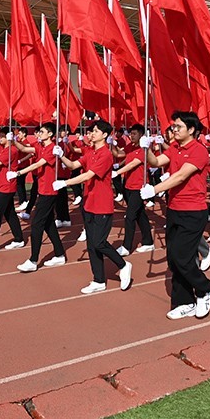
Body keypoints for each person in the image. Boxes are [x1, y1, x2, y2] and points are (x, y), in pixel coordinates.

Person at [141, 111, 210, 320]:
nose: (174, 130)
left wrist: (154, 190)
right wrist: (146, 149)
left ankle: (205, 289)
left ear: (191, 130)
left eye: (178, 127)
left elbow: (181, 176)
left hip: (193, 211)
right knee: (174, 259)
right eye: (173, 126)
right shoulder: (175, 148)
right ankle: (185, 302)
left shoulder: (199, 150)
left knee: (182, 258)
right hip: (174, 208)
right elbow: (156, 162)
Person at [55, 119, 132, 295]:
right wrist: (61, 155)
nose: (91, 134)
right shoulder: (90, 152)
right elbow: (74, 165)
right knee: (91, 244)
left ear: (104, 135)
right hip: (88, 202)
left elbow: (87, 175)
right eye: (91, 131)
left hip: (102, 204)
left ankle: (123, 265)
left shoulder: (106, 155)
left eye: (95, 131)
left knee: (99, 242)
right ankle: (98, 280)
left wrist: (65, 183)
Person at [15, 122, 68, 272]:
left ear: (50, 134)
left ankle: (33, 260)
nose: (39, 134)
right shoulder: (40, 146)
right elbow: (24, 149)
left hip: (49, 192)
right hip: (43, 190)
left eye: (42, 132)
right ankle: (59, 254)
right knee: (48, 224)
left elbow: (38, 164)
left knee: (37, 224)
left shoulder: (52, 149)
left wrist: (18, 173)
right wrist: (13, 140)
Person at [113, 124, 155, 255]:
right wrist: (111, 144)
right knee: (140, 214)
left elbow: (133, 164)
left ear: (141, 135)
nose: (132, 136)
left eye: (135, 134)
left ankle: (126, 246)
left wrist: (117, 172)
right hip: (128, 185)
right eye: (131, 134)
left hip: (138, 187)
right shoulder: (130, 147)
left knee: (130, 217)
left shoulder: (144, 149)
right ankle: (148, 242)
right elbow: (118, 154)